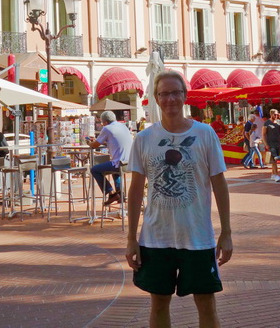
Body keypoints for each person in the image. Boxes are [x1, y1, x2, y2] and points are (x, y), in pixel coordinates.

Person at [126, 70, 232, 327]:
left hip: (197, 237)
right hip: (156, 237)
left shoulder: (205, 134)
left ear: (184, 96)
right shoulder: (144, 139)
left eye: (176, 93)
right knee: (159, 304)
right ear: (156, 98)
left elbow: (219, 183)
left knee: (206, 304)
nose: (170, 99)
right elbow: (136, 189)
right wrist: (131, 239)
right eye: (164, 94)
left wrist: (226, 232)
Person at [88, 110, 133, 205]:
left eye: (102, 122)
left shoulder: (107, 128)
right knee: (115, 172)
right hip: (129, 162)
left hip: (119, 163)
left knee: (94, 170)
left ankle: (111, 193)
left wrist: (89, 143)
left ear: (105, 122)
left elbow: (95, 145)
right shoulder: (123, 126)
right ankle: (120, 193)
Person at [262, 109, 280, 182]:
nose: (276, 116)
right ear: (271, 114)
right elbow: (264, 134)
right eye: (275, 114)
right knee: (274, 159)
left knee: (276, 159)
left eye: (277, 114)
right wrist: (266, 144)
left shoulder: (279, 121)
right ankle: (276, 175)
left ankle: (273, 174)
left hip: (278, 143)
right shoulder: (267, 123)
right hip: (271, 144)